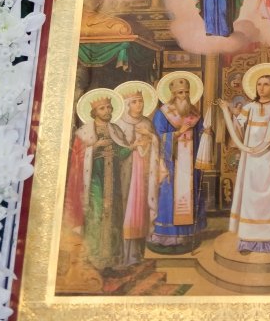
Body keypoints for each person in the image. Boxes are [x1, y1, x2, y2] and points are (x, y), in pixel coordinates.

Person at [218, 74, 270, 254]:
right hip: (251, 163)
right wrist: (229, 113)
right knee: (251, 200)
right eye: (259, 84)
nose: (261, 88)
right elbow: (237, 130)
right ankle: (248, 241)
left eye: (266, 84)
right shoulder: (249, 108)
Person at [64, 92, 132, 271]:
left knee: (114, 215)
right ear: (94, 112)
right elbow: (76, 158)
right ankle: (93, 258)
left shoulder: (116, 130)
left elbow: (122, 153)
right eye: (102, 108)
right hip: (94, 181)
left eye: (109, 107)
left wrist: (132, 147)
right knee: (95, 215)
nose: (107, 110)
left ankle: (112, 259)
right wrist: (94, 148)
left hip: (114, 181)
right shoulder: (84, 132)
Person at [148, 76, 206, 253]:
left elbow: (201, 135)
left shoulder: (194, 112)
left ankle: (186, 236)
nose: (184, 95)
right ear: (173, 94)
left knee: (189, 197)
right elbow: (157, 137)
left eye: (187, 92)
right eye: (180, 93)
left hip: (190, 165)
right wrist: (178, 133)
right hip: (170, 163)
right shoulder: (163, 113)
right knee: (169, 198)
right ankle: (167, 237)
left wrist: (207, 133)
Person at [116, 85, 167, 265]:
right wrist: (133, 146)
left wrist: (151, 137)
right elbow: (117, 151)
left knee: (142, 212)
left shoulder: (147, 123)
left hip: (144, 175)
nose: (139, 105)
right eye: (135, 102)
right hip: (126, 175)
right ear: (127, 105)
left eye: (141, 101)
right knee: (126, 212)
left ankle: (139, 255)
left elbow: (157, 144)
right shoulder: (119, 124)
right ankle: (124, 256)